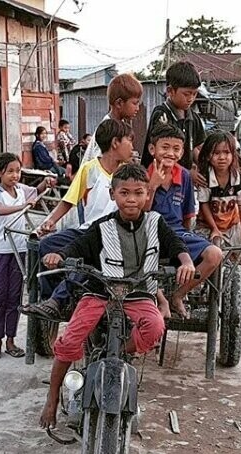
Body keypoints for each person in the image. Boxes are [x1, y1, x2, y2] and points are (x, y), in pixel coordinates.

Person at [39, 163, 196, 428]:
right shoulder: (102, 227)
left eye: (138, 193)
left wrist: (186, 262)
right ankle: (52, 398)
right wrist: (60, 255)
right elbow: (77, 246)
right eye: (124, 193)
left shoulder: (156, 223)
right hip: (100, 292)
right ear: (113, 195)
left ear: (148, 195)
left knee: (155, 327)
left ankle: (120, 354)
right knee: (68, 341)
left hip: (139, 294)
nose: (131, 199)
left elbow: (176, 245)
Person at [21, 119, 135, 320]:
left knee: (85, 259)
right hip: (87, 230)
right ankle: (51, 300)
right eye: (129, 141)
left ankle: (58, 299)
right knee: (47, 246)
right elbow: (69, 200)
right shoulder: (89, 169)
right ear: (115, 143)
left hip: (115, 235)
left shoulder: (129, 172)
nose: (132, 147)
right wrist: (50, 221)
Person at [144, 123, 222, 318]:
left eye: (176, 148)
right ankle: (156, 299)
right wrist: (151, 186)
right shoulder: (141, 174)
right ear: (152, 149)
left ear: (181, 152)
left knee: (214, 255)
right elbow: (140, 215)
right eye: (165, 147)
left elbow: (188, 216)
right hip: (147, 232)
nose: (170, 153)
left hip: (177, 233)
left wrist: (186, 247)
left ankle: (178, 295)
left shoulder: (185, 176)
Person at [0, 152, 49, 360]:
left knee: (15, 297)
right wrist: (23, 206)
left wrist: (46, 183)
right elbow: (0, 210)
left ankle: (11, 341)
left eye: (18, 171)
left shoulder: (21, 189)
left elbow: (36, 191)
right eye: (10, 171)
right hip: (1, 252)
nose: (15, 175)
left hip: (19, 250)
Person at [141, 61, 206, 188]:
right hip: (158, 180)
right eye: (186, 94)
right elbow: (161, 156)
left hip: (181, 182)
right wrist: (188, 173)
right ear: (170, 91)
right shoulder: (161, 115)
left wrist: (206, 168)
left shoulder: (193, 118)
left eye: (194, 94)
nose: (191, 98)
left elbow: (196, 149)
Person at [196, 132, 241, 248]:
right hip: (207, 225)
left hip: (232, 224)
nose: (222, 157)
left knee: (238, 253)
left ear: (233, 154)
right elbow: (204, 205)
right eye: (216, 153)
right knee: (213, 252)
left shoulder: (237, 177)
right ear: (208, 156)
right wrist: (214, 229)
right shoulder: (206, 178)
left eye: (227, 152)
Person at [81, 73, 143, 164]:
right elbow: (100, 166)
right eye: (135, 103)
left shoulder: (118, 125)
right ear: (119, 103)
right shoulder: (108, 130)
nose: (137, 108)